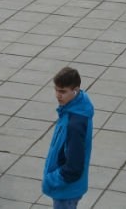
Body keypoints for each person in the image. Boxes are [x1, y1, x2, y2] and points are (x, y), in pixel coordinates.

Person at [41, 66, 94, 209]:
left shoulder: (74, 124)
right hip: (69, 187)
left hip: (66, 190)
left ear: (75, 90)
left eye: (63, 91)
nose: (58, 95)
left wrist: (51, 179)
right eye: (56, 90)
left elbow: (74, 167)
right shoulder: (74, 107)